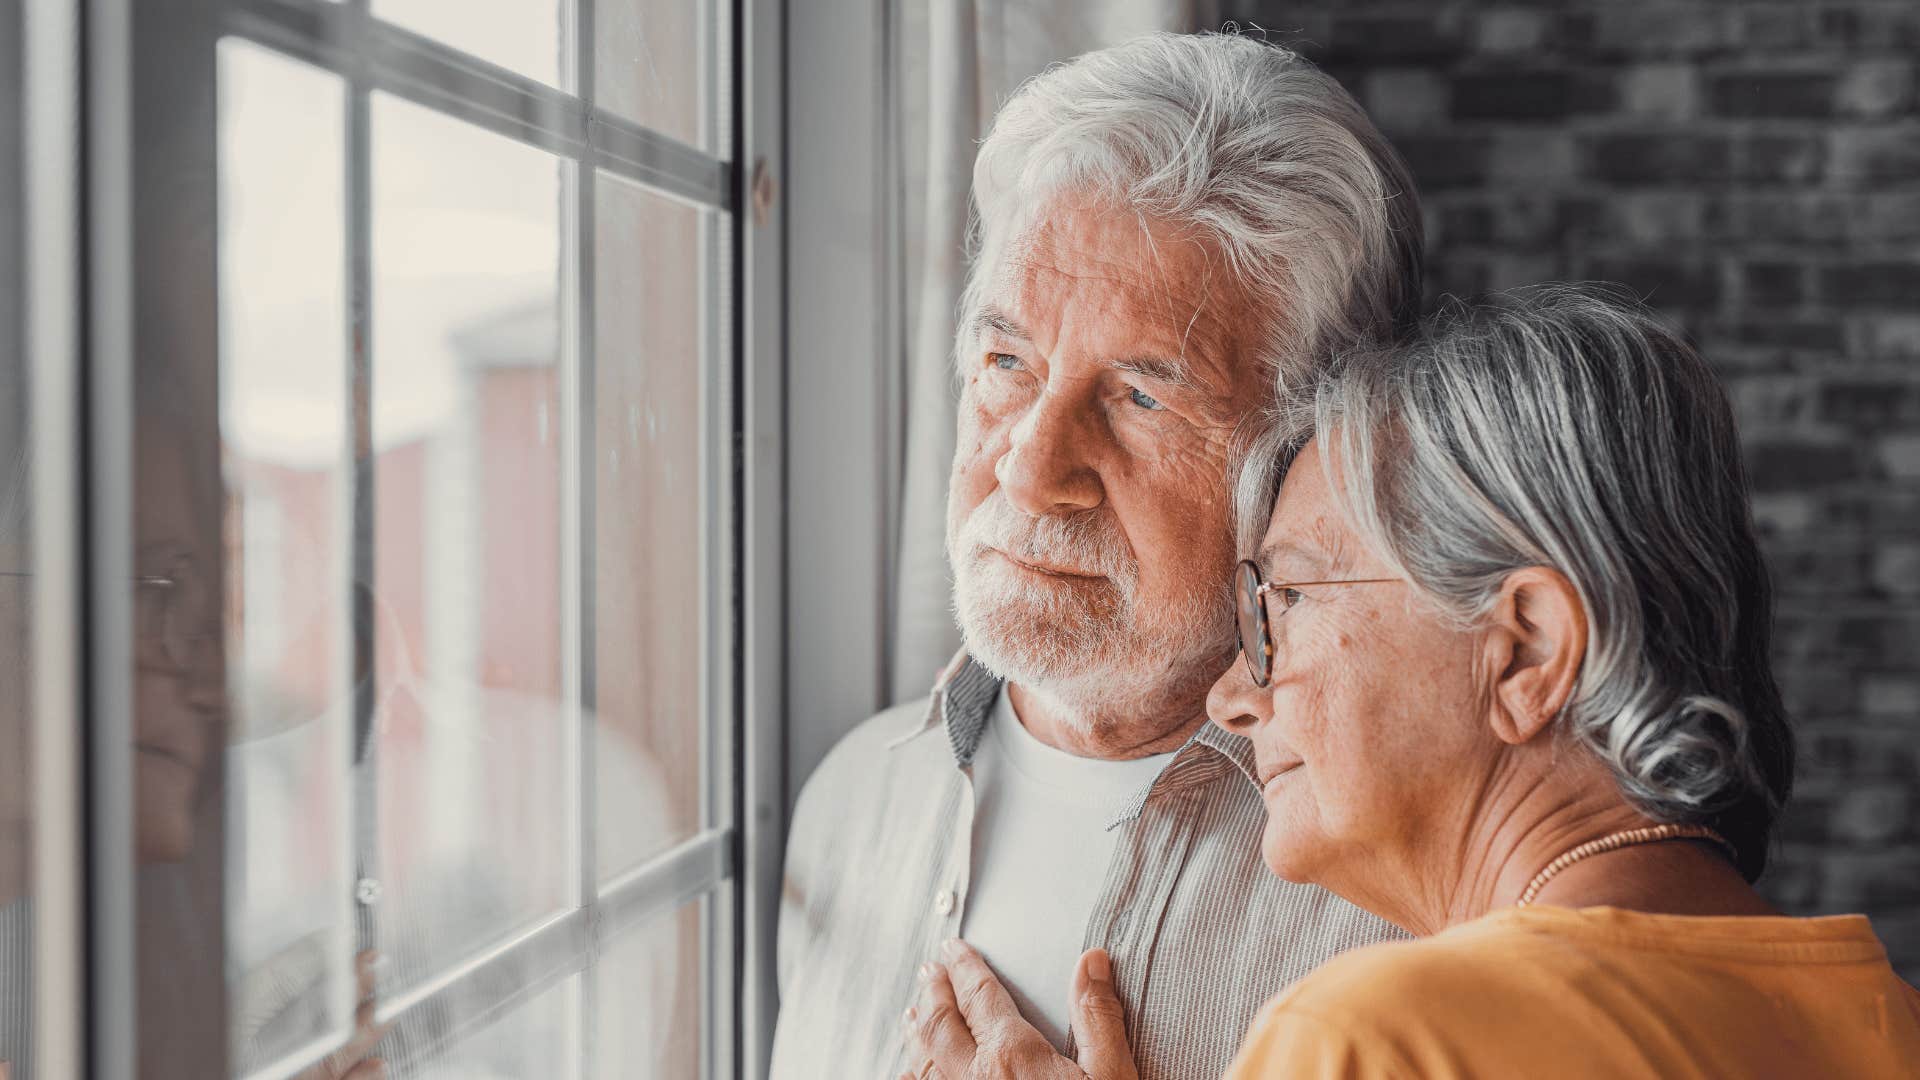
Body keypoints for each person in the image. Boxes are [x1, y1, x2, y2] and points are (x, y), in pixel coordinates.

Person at [900, 286, 1920, 1079]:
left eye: (1287, 601)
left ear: (1524, 651)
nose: (1233, 696)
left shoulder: (1376, 1039)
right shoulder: (1890, 1024)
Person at [773, 29, 1425, 1080]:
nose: (1029, 471)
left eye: (1141, 396)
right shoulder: (848, 802)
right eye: (1005, 361)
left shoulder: (1413, 902)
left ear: (1306, 459)